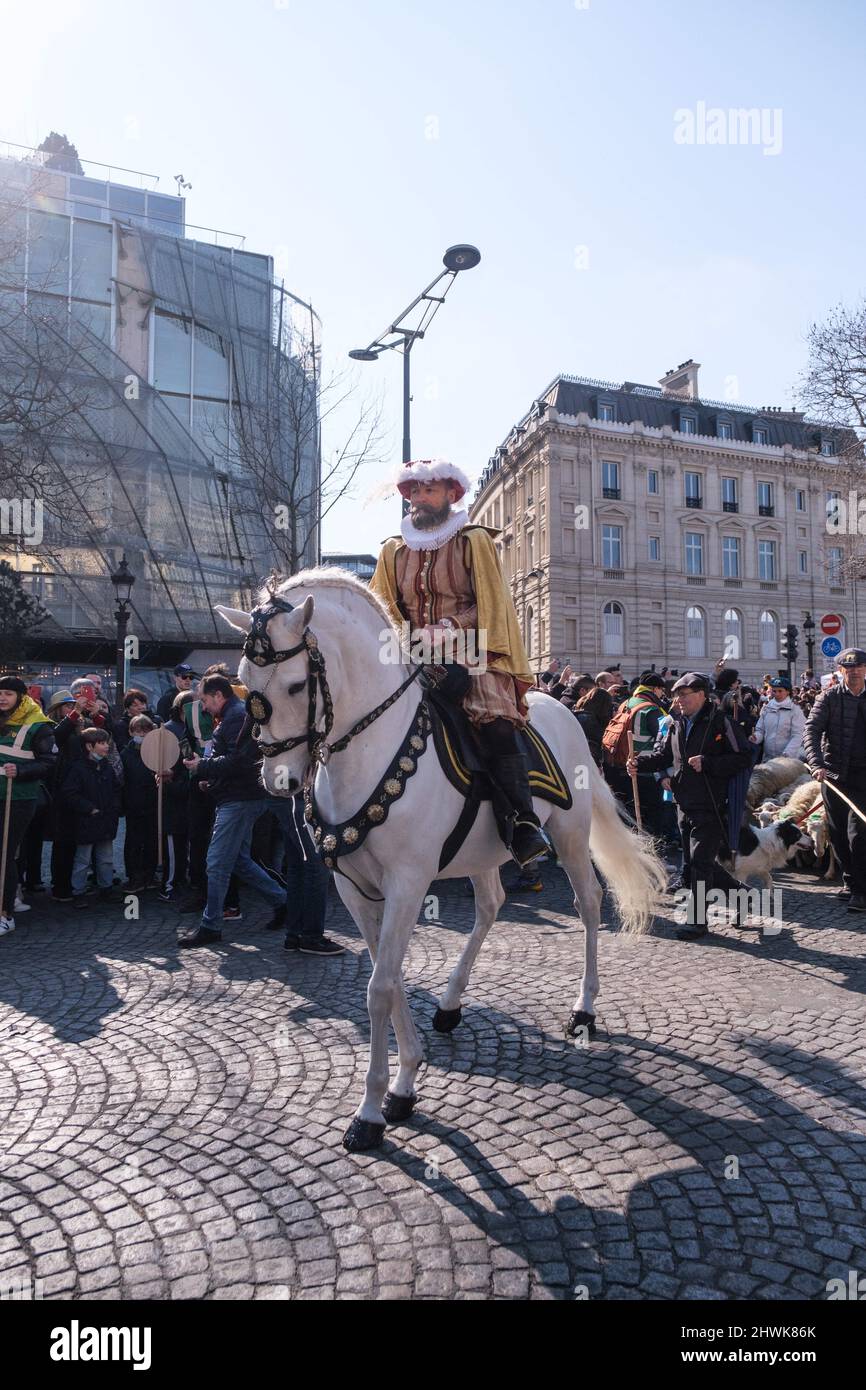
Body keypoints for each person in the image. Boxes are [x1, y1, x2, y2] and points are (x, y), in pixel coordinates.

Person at [370, 458, 548, 868]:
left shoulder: (473, 540)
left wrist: (452, 625)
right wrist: (407, 635)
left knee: (498, 726)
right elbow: (380, 604)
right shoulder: (392, 548)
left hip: (472, 650)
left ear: (452, 495)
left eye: (428, 490)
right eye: (413, 491)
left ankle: (522, 822)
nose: (419, 498)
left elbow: (492, 602)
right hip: (410, 652)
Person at [627, 672, 751, 941]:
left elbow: (743, 757)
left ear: (701, 695)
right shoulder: (675, 723)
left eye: (684, 695)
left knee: (700, 864)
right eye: (676, 695)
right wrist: (640, 763)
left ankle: (697, 921)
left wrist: (708, 763)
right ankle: (743, 894)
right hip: (684, 803)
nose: (679, 700)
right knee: (696, 862)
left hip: (713, 804)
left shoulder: (721, 722)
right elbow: (662, 756)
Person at [180, 674, 287, 947]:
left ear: (218, 695)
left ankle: (211, 925)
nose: (203, 706)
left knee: (216, 863)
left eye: (204, 700)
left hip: (240, 800)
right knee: (239, 861)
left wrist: (203, 769)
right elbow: (235, 759)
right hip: (239, 797)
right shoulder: (235, 715)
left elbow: (241, 760)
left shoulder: (237, 716)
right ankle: (283, 902)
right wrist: (209, 777)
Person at [803, 647, 866, 912]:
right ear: (840, 671)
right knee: (838, 834)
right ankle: (851, 882)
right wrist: (816, 763)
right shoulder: (827, 698)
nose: (853, 672)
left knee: (858, 833)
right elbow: (812, 730)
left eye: (858, 668)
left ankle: (861, 891)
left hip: (864, 777)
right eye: (848, 668)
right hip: (833, 776)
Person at [0, 676, 56, 935]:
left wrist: (21, 770)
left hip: (18, 797)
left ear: (22, 697)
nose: (2, 698)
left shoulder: (39, 725)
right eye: (0, 693)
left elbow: (49, 763)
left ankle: (6, 913)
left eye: (8, 694)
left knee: (4, 854)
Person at [61, 728, 123, 909]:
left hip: (105, 819)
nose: (106, 747)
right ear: (89, 746)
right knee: (83, 859)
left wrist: (113, 808)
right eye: (102, 743)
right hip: (86, 820)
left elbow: (116, 789)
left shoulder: (106, 766)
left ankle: (106, 888)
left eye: (106, 743)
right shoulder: (77, 768)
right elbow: (70, 794)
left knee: (106, 857)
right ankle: (78, 891)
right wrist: (89, 809)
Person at [120, 714, 159, 891]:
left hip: (152, 803)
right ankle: (134, 876)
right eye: (138, 731)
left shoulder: (157, 751)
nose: (141, 734)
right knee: (134, 842)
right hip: (133, 804)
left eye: (145, 731)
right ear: (131, 732)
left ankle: (149, 875)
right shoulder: (125, 753)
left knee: (151, 841)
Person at [751, 676, 806, 761]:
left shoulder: (795, 710)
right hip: (768, 759)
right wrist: (756, 738)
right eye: (774, 691)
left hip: (789, 760)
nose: (776, 694)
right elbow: (760, 730)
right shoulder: (767, 708)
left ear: (787, 692)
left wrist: (787, 754)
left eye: (780, 691)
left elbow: (798, 735)